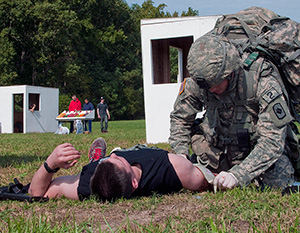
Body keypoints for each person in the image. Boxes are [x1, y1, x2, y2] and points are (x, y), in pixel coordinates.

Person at [169, 33, 297, 191]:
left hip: (255, 156)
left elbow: (272, 139)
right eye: (207, 86)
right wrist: (181, 155)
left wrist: (239, 174)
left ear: (230, 71)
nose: (211, 89)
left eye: (216, 83)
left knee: (279, 183)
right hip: (216, 155)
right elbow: (180, 120)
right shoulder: (199, 81)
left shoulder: (260, 77)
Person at [28, 138, 214, 201]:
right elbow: (205, 179)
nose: (115, 155)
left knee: (106, 160)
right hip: (145, 152)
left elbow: (36, 194)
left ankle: (97, 160)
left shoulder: (87, 185)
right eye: (117, 160)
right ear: (134, 183)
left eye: (111, 159)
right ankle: (99, 160)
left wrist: (50, 163)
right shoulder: (171, 167)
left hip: (101, 170)